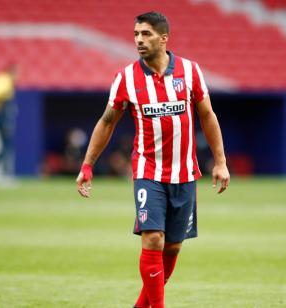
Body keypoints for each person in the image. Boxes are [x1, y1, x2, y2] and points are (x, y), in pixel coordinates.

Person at [75, 12, 230, 308]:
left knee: (171, 246)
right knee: (154, 240)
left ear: (163, 38)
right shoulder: (126, 78)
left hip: (185, 174)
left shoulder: (190, 71)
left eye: (145, 34)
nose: (138, 40)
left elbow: (207, 115)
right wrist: (87, 165)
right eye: (135, 34)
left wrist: (220, 161)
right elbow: (107, 122)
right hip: (149, 172)